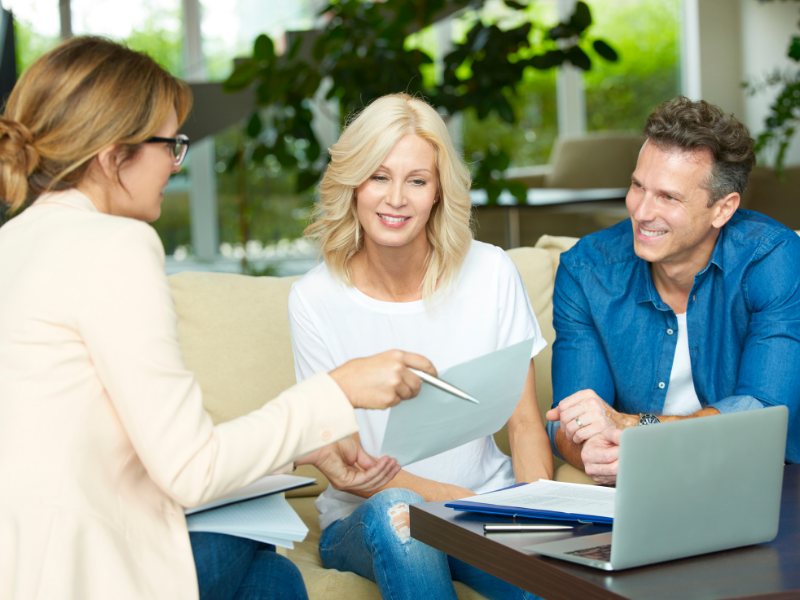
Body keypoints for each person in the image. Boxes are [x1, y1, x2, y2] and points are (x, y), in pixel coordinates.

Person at [0, 37, 439, 600]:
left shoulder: (15, 241)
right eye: (169, 144)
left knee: (269, 576)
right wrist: (338, 389)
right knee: (254, 554)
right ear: (114, 157)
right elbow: (190, 469)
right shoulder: (114, 245)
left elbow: (142, 446)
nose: (176, 163)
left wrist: (308, 441)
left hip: (23, 557)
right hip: (69, 568)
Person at [288, 92, 552, 600]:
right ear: (353, 185)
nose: (395, 199)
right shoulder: (313, 299)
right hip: (370, 519)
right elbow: (352, 467)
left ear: (437, 192)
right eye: (378, 176)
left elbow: (523, 423)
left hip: (486, 506)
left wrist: (535, 516)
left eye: (416, 180)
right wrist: (461, 504)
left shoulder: (491, 273)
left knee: (547, 583)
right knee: (402, 516)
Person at [545, 96, 800, 485]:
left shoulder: (773, 258)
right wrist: (592, 452)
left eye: (668, 197)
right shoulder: (586, 271)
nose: (642, 211)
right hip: (646, 484)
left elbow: (763, 411)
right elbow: (569, 418)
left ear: (723, 209)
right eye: (637, 186)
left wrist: (634, 427)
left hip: (759, 479)